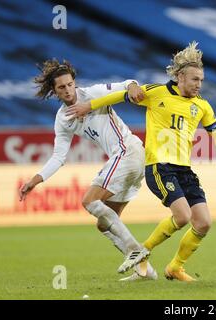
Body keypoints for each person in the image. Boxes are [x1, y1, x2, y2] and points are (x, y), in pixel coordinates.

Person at [66, 42, 216, 281]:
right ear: (179, 77)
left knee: (204, 222)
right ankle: (140, 251)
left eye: (201, 80)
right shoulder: (156, 93)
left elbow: (215, 130)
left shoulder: (202, 106)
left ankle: (175, 267)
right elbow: (120, 96)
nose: (199, 85)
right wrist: (88, 105)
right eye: (194, 79)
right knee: (183, 216)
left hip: (184, 170)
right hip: (160, 167)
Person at [19, 59, 156, 280]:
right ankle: (145, 272)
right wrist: (35, 179)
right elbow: (58, 156)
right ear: (55, 92)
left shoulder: (93, 94)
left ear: (75, 83)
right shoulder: (63, 119)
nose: (68, 90)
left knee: (89, 201)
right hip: (124, 160)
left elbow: (128, 83)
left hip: (127, 151)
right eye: (61, 87)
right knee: (105, 225)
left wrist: (133, 86)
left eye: (70, 84)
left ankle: (134, 250)